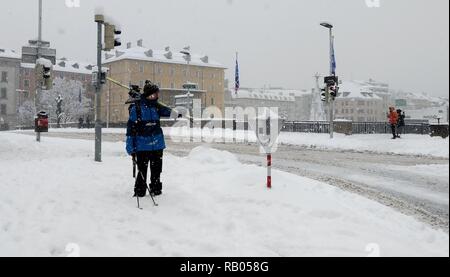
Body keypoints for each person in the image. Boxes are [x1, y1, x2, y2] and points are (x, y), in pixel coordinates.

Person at [126, 83, 173, 197]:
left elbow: (169, 112)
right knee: (142, 170)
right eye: (155, 94)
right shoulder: (136, 108)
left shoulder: (157, 106)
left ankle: (156, 189)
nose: (157, 96)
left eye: (157, 94)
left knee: (157, 170)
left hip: (157, 145)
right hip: (142, 146)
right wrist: (130, 146)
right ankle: (140, 191)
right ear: (149, 95)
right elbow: (130, 130)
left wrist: (178, 112)